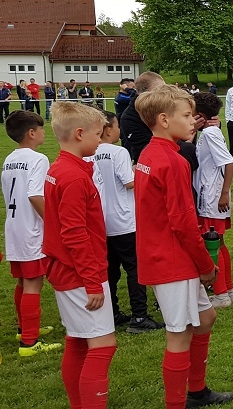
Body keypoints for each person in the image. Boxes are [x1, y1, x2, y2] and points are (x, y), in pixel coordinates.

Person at [134, 85, 233, 409]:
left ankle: (198, 390)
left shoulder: (150, 153)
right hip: (171, 259)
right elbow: (182, 222)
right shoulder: (172, 161)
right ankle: (178, 402)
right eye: (188, 115)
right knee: (178, 334)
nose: (194, 121)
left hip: (164, 253)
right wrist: (205, 265)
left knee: (205, 318)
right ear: (164, 120)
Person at [43, 101, 117, 409]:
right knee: (103, 345)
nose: (101, 140)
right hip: (79, 273)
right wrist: (92, 281)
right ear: (78, 134)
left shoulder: (59, 168)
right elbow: (74, 233)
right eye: (98, 134)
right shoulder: (73, 177)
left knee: (77, 340)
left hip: (65, 269)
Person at [89, 111, 163, 333]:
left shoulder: (88, 153)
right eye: (117, 126)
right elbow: (130, 183)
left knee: (110, 270)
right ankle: (139, 316)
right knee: (134, 268)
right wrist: (140, 172)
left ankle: (111, 312)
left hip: (102, 221)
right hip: (124, 220)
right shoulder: (118, 152)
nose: (120, 131)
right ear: (107, 130)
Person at [3, 110, 61, 356]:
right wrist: (54, 223)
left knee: (22, 281)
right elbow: (35, 195)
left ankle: (24, 328)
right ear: (31, 133)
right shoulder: (38, 159)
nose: (44, 133)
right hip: (30, 229)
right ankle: (29, 342)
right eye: (41, 129)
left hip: (14, 227)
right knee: (33, 283)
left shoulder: (9, 158)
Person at [192, 92, 233, 309]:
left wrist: (224, 192)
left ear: (199, 113)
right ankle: (227, 290)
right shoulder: (210, 131)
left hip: (212, 197)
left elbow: (229, 162)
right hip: (212, 195)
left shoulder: (210, 133)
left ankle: (221, 294)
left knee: (211, 244)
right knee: (219, 243)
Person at [120, 71, 167, 162]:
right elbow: (146, 148)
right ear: (145, 94)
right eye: (160, 91)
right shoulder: (129, 118)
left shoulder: (165, 107)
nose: (164, 94)